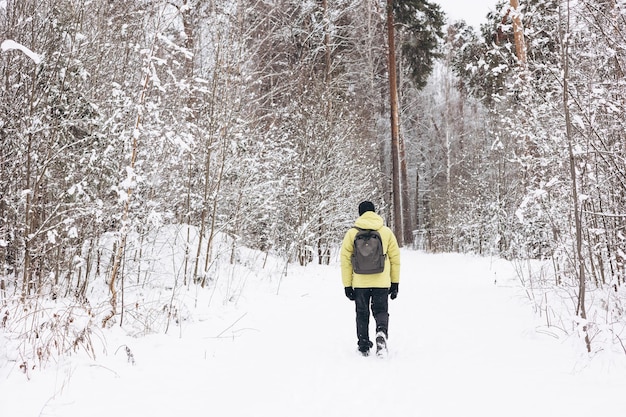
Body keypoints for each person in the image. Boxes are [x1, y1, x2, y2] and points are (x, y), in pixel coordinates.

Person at [340, 201, 400, 356]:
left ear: (360, 213)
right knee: (381, 310)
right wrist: (395, 283)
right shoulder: (386, 232)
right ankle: (381, 332)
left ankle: (364, 345)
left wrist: (347, 285)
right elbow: (395, 259)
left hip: (360, 282)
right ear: (374, 212)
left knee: (362, 313)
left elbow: (345, 261)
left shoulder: (352, 233)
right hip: (381, 281)